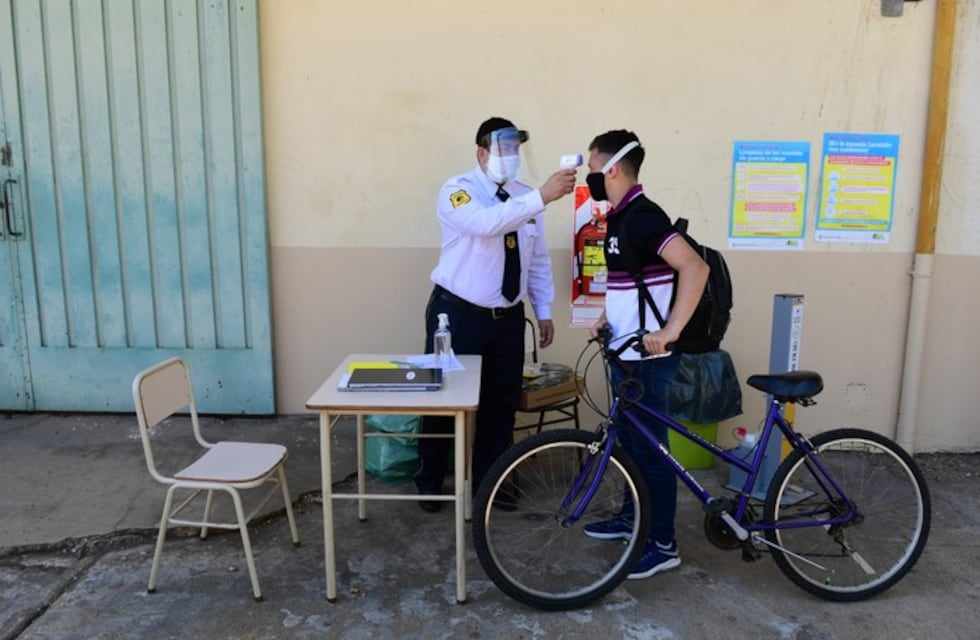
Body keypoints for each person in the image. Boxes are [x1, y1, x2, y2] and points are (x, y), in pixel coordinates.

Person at [415, 117, 577, 513]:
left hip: (506, 319)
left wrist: (542, 310)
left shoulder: (525, 197)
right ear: (482, 153)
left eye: (516, 148)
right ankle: (431, 482)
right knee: (443, 400)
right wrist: (541, 197)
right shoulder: (459, 191)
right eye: (503, 148)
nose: (511, 156)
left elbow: (535, 261)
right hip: (456, 316)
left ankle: (492, 484)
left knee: (499, 405)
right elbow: (484, 225)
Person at [584, 129, 709, 579]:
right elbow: (630, 283)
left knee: (652, 452)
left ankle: (662, 544)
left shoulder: (642, 216)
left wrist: (670, 331)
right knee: (630, 443)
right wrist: (604, 316)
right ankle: (631, 517)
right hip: (625, 353)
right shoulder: (618, 218)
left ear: (612, 168)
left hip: (650, 360)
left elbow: (695, 266)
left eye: (592, 167)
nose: (589, 175)